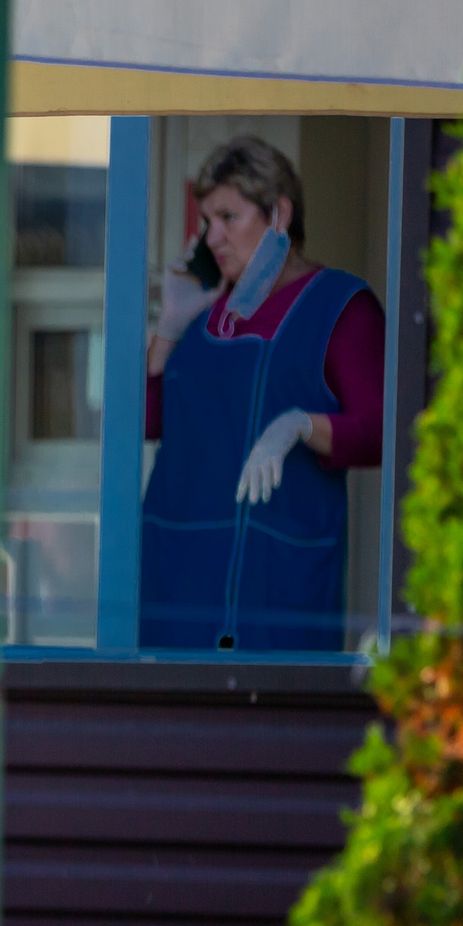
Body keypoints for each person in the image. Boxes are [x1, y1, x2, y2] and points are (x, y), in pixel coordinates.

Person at [142, 135, 386, 651]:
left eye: (228, 217)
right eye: (207, 222)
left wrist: (299, 425)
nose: (212, 237)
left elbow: (378, 431)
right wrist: (170, 326)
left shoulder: (340, 307)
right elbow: (147, 423)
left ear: (279, 214)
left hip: (278, 587)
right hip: (177, 586)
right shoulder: (204, 318)